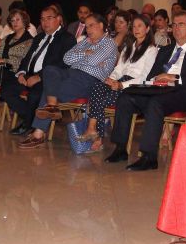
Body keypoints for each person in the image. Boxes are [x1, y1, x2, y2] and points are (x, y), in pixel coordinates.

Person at [105, 12, 186, 171]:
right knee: (126, 97)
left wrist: (175, 78)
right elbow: (151, 75)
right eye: (174, 25)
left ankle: (149, 157)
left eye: (181, 24)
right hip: (160, 89)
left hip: (184, 92)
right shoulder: (165, 49)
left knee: (155, 103)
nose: (176, 28)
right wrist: (156, 79)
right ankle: (120, 148)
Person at [19, 14, 118, 149]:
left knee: (49, 89)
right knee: (50, 70)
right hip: (71, 73)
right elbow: (66, 58)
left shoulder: (109, 43)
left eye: (91, 25)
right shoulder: (86, 41)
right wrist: (85, 53)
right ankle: (52, 106)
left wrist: (83, 57)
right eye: (86, 26)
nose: (88, 29)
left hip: (89, 79)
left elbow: (93, 61)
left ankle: (39, 133)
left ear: (101, 25)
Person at [79, 15, 159, 154]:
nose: (136, 29)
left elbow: (144, 77)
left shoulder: (151, 50)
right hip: (120, 80)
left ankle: (96, 135)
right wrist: (111, 78)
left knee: (100, 99)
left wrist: (122, 85)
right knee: (97, 86)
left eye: (140, 26)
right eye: (134, 26)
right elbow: (119, 69)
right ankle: (93, 130)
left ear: (147, 29)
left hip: (134, 86)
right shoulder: (128, 47)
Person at [2, 6, 76, 136]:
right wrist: (22, 73)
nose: (45, 22)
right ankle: (31, 118)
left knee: (35, 94)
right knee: (6, 90)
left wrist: (39, 77)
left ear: (59, 19)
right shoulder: (39, 37)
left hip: (48, 78)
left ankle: (28, 124)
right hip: (28, 75)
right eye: (42, 19)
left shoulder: (67, 38)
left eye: (49, 18)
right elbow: (27, 58)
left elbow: (63, 63)